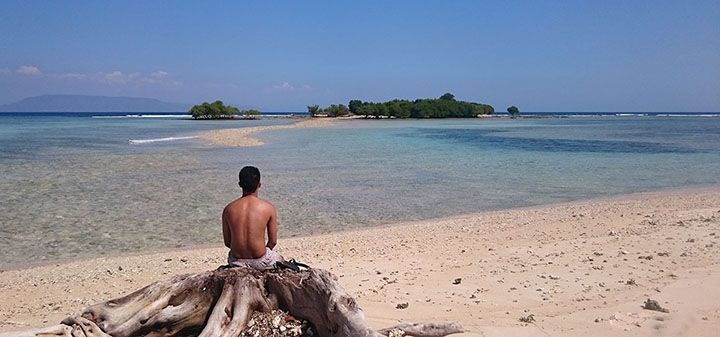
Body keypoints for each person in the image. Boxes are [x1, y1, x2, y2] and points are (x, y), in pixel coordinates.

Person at [223, 166, 283, 270]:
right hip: (260, 260)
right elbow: (273, 241)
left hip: (237, 261)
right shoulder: (268, 208)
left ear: (240, 184)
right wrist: (263, 251)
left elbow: (228, 242)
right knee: (280, 258)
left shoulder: (228, 209)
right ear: (259, 184)